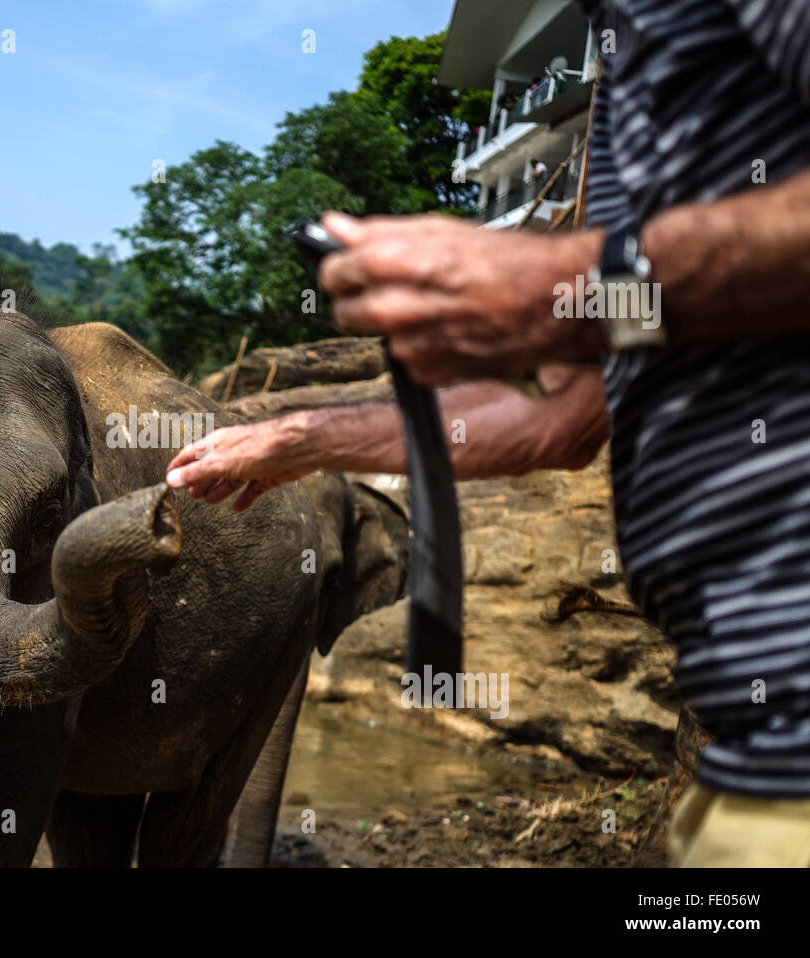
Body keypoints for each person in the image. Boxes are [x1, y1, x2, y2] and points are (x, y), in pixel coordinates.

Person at [166, 0, 810, 867]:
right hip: (754, 743)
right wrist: (303, 437)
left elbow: (595, 294)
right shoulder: (627, 69)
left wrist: (549, 282)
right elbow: (563, 416)